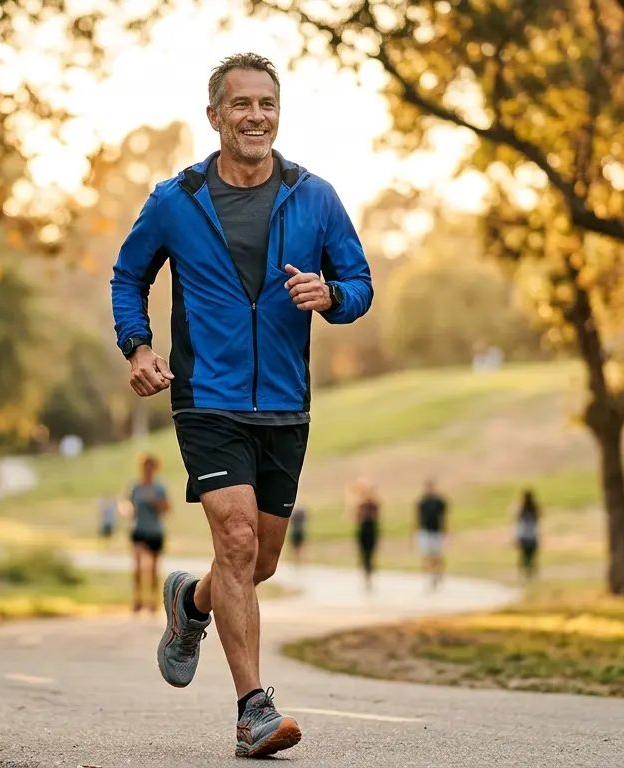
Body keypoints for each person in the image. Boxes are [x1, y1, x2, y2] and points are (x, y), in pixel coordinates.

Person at [109, 52, 373, 759]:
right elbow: (128, 276)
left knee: (258, 563)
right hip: (208, 397)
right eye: (242, 104)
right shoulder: (177, 199)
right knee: (236, 541)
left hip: (286, 402)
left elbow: (359, 283)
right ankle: (253, 711)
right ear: (215, 116)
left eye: (267, 104)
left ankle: (189, 601)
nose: (256, 116)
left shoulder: (315, 196)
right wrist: (138, 346)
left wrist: (332, 295)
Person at [128, 454, 169, 614]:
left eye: (150, 466)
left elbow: (166, 509)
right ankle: (137, 599)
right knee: (137, 567)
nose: (148, 469)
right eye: (145, 466)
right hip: (139, 529)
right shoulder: (135, 487)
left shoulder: (159, 488)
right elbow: (129, 505)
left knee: (153, 569)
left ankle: (153, 601)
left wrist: (155, 502)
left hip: (155, 531)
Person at [415, 479, 448, 590]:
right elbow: (418, 517)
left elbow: (444, 517)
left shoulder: (439, 501)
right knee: (426, 555)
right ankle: (428, 577)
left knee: (437, 555)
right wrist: (416, 532)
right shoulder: (422, 502)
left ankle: (437, 573)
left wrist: (445, 531)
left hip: (437, 531)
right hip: (425, 531)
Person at [353, 479, 380, 591]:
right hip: (363, 531)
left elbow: (377, 518)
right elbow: (356, 518)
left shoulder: (374, 504)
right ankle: (365, 575)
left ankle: (369, 575)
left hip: (371, 530)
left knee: (370, 554)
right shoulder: (361, 505)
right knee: (363, 555)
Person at [516, 489, 541, 581]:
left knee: (524, 555)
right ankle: (529, 574)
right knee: (531, 556)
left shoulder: (522, 509)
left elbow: (518, 522)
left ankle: (525, 573)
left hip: (524, 535)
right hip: (532, 535)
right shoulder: (534, 509)